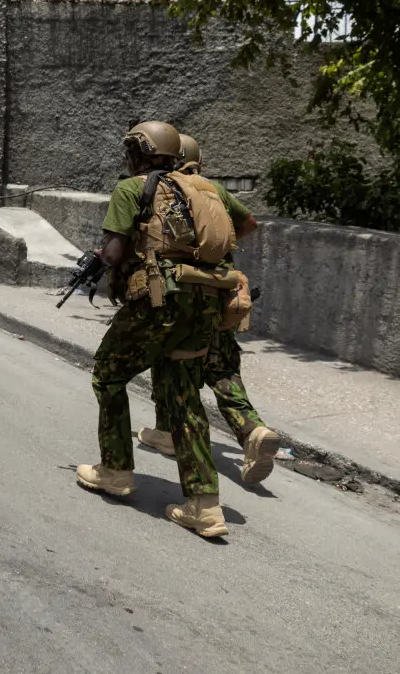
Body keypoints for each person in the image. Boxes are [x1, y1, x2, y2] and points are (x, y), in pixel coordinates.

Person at [76, 121, 243, 539]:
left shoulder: (133, 188)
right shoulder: (207, 189)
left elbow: (114, 254)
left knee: (109, 374)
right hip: (204, 305)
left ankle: (115, 471)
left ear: (138, 152)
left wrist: (102, 255)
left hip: (157, 302)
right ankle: (205, 506)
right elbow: (247, 226)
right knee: (184, 396)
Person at [137, 134, 280, 483]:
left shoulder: (165, 187)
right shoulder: (214, 190)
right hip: (222, 292)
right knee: (222, 367)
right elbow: (250, 224)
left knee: (170, 361)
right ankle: (252, 430)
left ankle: (168, 432)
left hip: (184, 292)